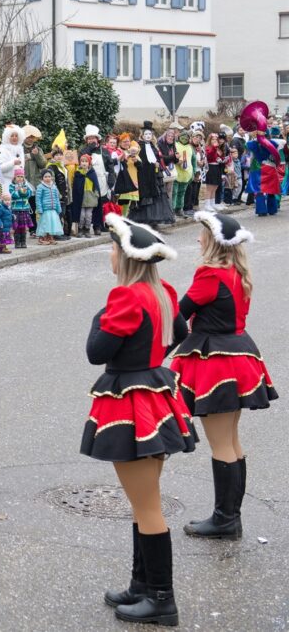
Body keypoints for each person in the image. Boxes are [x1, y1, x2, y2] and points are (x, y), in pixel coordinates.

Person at [81, 214, 195, 627]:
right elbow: (180, 333)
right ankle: (141, 585)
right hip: (156, 394)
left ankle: (162, 599)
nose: (110, 256)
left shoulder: (126, 297)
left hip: (130, 400)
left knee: (147, 506)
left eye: (113, 249)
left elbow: (96, 351)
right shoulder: (163, 291)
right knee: (141, 501)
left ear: (125, 257)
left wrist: (102, 313)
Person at [170, 212, 277, 540]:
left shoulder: (210, 274)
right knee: (231, 440)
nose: (198, 238)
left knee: (221, 443)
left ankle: (225, 520)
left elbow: (179, 314)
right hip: (239, 356)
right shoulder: (237, 272)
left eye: (202, 234)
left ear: (214, 241)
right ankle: (231, 518)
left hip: (216, 363)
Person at [129, 122, 176, 227]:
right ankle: (144, 218)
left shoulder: (153, 146)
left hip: (155, 174)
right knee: (146, 196)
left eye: (150, 134)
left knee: (156, 195)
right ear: (142, 135)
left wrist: (158, 164)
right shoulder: (139, 146)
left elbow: (158, 158)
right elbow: (140, 161)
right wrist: (151, 165)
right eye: (146, 134)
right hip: (144, 175)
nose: (148, 136)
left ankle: (153, 218)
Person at [71, 153, 100, 238]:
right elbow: (75, 187)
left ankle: (87, 229)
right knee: (81, 215)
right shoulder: (78, 173)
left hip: (91, 198)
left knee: (88, 215)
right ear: (80, 163)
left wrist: (96, 195)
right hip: (81, 198)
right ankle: (80, 229)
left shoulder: (92, 173)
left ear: (89, 163)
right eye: (82, 161)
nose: (84, 163)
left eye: (86, 161)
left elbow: (96, 186)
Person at [35, 168, 64, 245]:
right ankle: (42, 238)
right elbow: (38, 199)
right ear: (42, 178)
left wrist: (58, 208)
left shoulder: (54, 187)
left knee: (52, 224)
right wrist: (39, 209)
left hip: (53, 209)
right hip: (45, 209)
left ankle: (49, 237)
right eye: (45, 177)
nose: (47, 178)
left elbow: (57, 198)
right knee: (44, 224)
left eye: (49, 176)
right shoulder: (40, 187)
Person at [0, 124, 25, 194]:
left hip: (19, 182)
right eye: (12, 136)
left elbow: (22, 167)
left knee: (19, 199)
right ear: (7, 137)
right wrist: (13, 163)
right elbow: (0, 168)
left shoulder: (20, 149)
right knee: (8, 200)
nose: (14, 138)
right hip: (6, 182)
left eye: (16, 136)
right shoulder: (2, 149)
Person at [8, 170, 33, 249]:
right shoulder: (12, 186)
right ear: (15, 177)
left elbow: (29, 194)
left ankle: (23, 242)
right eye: (18, 176)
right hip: (16, 209)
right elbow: (14, 195)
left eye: (21, 176)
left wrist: (23, 193)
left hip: (24, 209)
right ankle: (17, 242)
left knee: (23, 226)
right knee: (17, 226)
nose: (20, 178)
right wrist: (20, 192)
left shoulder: (26, 185)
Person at [172, 131, 194, 217]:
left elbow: (193, 160)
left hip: (186, 174)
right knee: (174, 192)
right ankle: (172, 209)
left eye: (187, 137)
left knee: (182, 193)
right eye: (183, 137)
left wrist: (193, 172)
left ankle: (179, 209)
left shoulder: (190, 147)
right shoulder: (175, 145)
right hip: (176, 173)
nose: (185, 138)